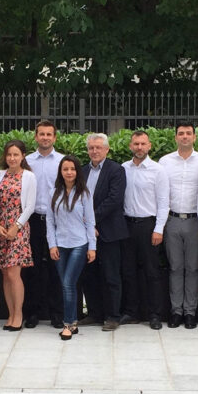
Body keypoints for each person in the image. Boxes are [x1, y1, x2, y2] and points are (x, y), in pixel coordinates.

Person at [121, 130, 170, 330]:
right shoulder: (123, 168)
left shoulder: (158, 171)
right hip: (127, 225)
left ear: (149, 146)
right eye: (136, 144)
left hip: (148, 226)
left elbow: (164, 202)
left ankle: (154, 314)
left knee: (152, 272)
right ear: (130, 146)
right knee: (128, 271)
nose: (139, 147)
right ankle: (132, 312)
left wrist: (159, 229)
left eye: (143, 144)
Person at [159, 122, 198, 329]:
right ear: (175, 137)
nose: (184, 136)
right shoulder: (165, 162)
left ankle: (190, 312)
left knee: (193, 268)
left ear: (194, 137)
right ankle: (176, 311)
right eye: (181, 133)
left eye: (188, 133)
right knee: (175, 267)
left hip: (196, 221)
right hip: (172, 220)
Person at [82, 133, 129, 331]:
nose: (94, 151)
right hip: (86, 232)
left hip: (109, 231)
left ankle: (113, 316)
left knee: (111, 275)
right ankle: (94, 313)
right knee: (89, 274)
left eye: (98, 147)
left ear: (107, 149)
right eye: (91, 148)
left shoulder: (116, 170)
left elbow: (114, 199)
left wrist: (91, 220)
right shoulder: (82, 171)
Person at [47, 155, 97, 341]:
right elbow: (50, 222)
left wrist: (92, 247)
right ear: (60, 172)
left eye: (72, 169)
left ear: (78, 172)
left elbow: (90, 221)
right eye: (65, 169)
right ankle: (73, 321)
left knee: (68, 283)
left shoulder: (84, 193)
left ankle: (68, 324)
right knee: (66, 284)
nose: (69, 172)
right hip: (60, 244)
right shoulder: (54, 193)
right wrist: (52, 244)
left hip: (79, 244)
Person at [0, 139, 37, 331]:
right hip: (1, 228)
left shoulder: (29, 176)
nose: (12, 158)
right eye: (9, 154)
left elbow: (30, 206)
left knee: (13, 273)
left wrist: (15, 227)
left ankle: (18, 315)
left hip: (19, 228)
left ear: (23, 156)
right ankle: (10, 314)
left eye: (16, 154)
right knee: (5, 273)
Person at [24, 120, 64, 328]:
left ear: (54, 137)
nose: (45, 138)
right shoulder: (27, 161)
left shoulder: (63, 161)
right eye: (42, 134)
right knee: (32, 268)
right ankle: (33, 313)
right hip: (32, 220)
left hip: (57, 221)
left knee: (57, 267)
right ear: (36, 136)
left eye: (49, 134)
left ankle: (57, 313)